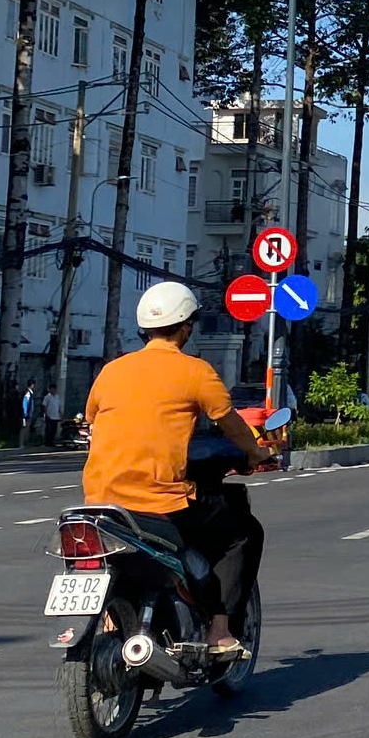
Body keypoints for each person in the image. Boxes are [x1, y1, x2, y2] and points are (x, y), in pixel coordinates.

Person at [82, 281, 267, 657]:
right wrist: (256, 452)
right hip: (159, 503)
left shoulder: (111, 371)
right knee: (243, 532)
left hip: (101, 503)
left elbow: (93, 421)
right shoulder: (196, 372)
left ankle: (116, 618)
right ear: (186, 327)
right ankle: (219, 630)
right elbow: (230, 423)